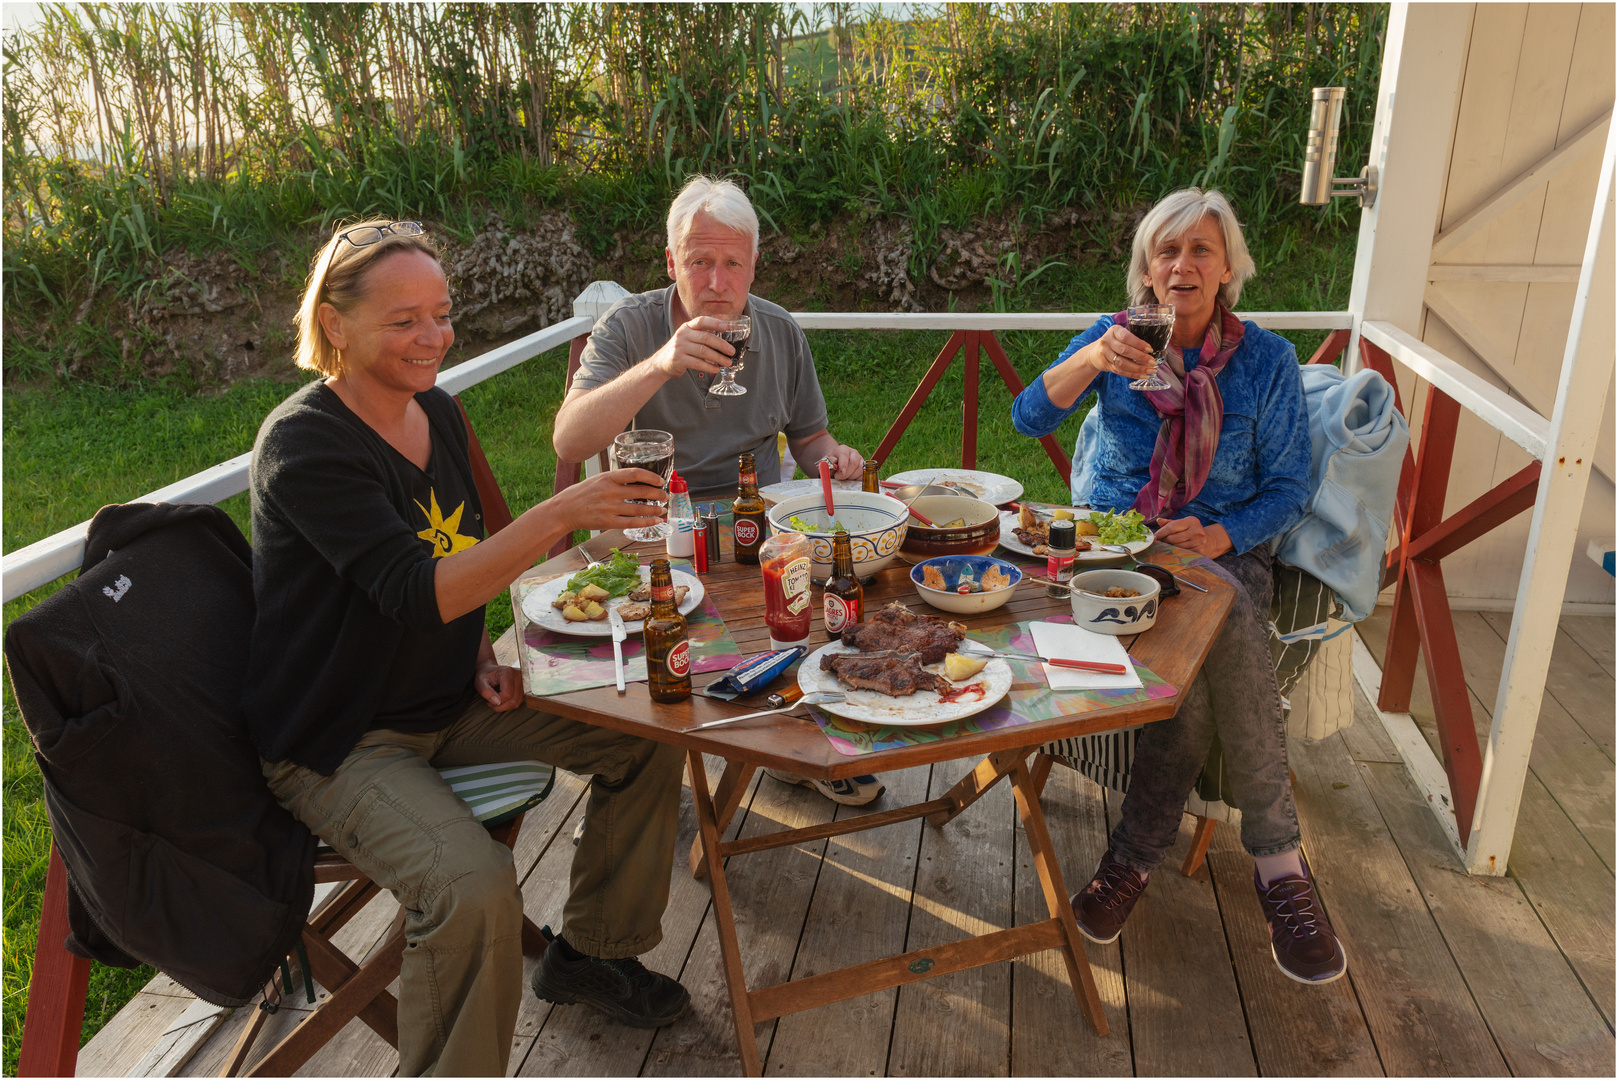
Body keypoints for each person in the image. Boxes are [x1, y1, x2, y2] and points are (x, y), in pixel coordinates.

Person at [243, 219, 692, 1077]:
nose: (434, 337)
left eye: (443, 315)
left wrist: (484, 651)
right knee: (473, 888)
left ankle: (592, 954)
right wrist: (563, 512)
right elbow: (417, 589)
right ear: (334, 324)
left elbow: (461, 562)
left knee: (644, 734)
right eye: (403, 319)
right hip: (339, 742)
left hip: (447, 705)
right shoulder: (305, 445)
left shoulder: (437, 413)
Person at [1010, 188, 1347, 985]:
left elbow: (1291, 486)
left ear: (1228, 267)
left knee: (1214, 624)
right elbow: (1028, 417)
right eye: (1166, 250)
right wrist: (1093, 359)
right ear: (1145, 270)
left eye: (1201, 249)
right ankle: (1281, 872)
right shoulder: (1118, 338)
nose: (1182, 265)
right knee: (1213, 636)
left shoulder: (1265, 361)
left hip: (1220, 553)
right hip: (1110, 554)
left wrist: (1223, 534)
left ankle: (1136, 861)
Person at [552, 175, 883, 808]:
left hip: (758, 525)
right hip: (650, 526)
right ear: (672, 261)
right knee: (664, 635)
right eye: (699, 261)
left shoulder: (779, 332)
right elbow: (570, 440)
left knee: (820, 611)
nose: (716, 281)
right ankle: (650, 766)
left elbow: (810, 438)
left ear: (755, 265)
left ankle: (782, 738)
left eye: (733, 262)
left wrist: (834, 459)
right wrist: (662, 364)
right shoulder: (630, 327)